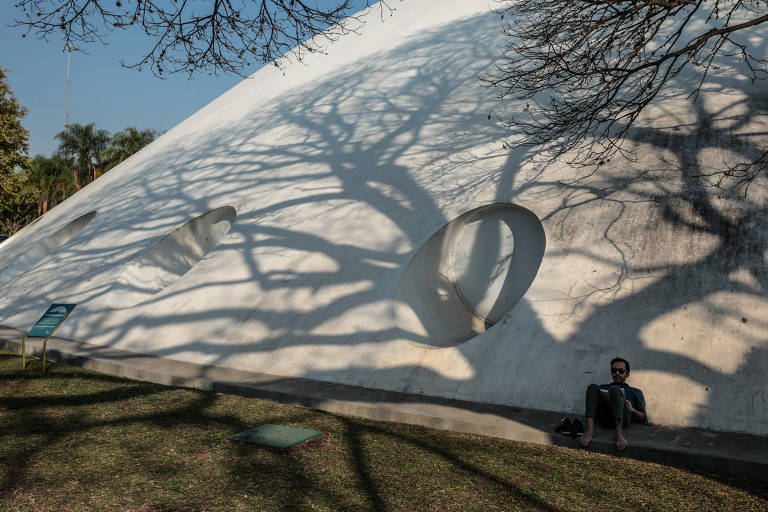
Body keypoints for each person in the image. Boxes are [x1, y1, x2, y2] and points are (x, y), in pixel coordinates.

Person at [578, 357, 647, 451]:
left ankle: (619, 433)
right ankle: (590, 430)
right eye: (614, 370)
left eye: (621, 371)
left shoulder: (636, 392)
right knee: (593, 387)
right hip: (604, 418)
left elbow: (644, 418)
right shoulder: (603, 387)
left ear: (627, 374)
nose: (617, 373)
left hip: (623, 420)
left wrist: (632, 410)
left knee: (615, 390)